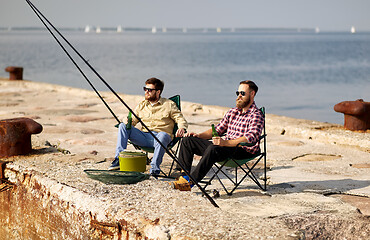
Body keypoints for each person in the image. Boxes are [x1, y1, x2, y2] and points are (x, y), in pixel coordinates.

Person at [172, 80, 264, 190]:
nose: (239, 96)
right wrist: (198, 135)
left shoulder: (256, 114)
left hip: (242, 150)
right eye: (237, 93)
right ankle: (183, 177)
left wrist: (225, 143)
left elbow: (251, 137)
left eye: (242, 93)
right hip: (224, 148)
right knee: (188, 140)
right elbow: (218, 130)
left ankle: (191, 182)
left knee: (213, 148)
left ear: (252, 94)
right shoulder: (233, 112)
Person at [109, 77, 188, 175]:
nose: (146, 92)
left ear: (158, 92)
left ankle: (154, 169)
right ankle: (118, 159)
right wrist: (126, 121)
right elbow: (132, 121)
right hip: (144, 137)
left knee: (163, 135)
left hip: (161, 138)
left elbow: (180, 118)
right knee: (122, 126)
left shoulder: (169, 104)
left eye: (150, 90)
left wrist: (181, 128)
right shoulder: (142, 105)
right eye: (145, 89)